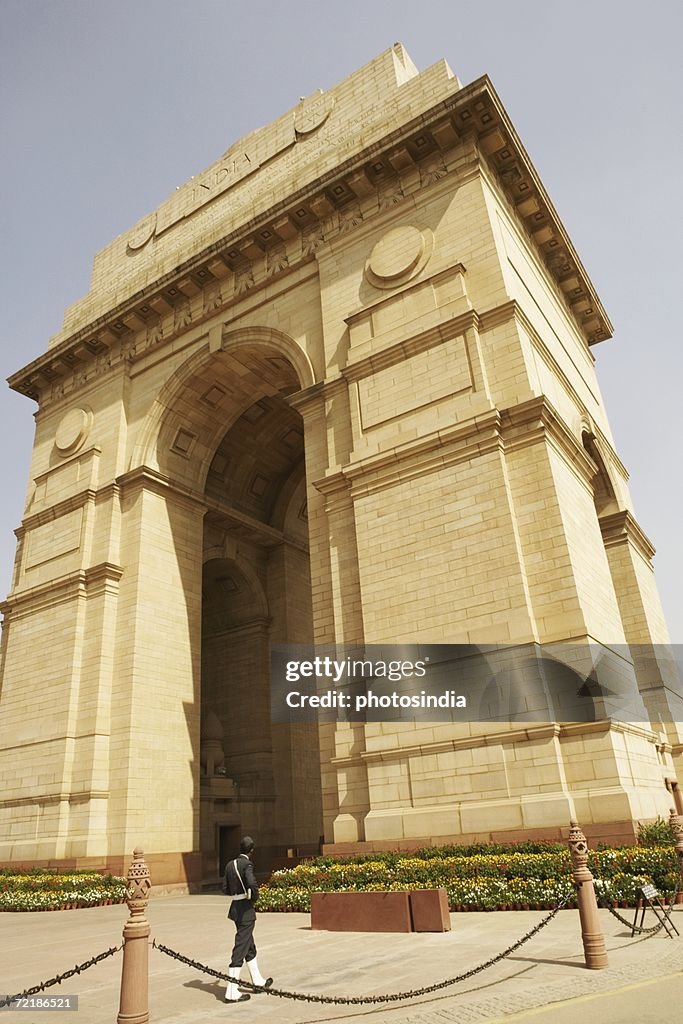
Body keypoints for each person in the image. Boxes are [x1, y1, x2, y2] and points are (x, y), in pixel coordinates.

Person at [222, 835, 273, 1003]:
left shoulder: (230, 864)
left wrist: (237, 894)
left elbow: (225, 888)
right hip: (245, 909)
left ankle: (258, 981)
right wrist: (254, 898)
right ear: (251, 850)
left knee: (248, 945)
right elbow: (252, 884)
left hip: (235, 909)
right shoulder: (247, 864)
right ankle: (231, 990)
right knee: (241, 946)